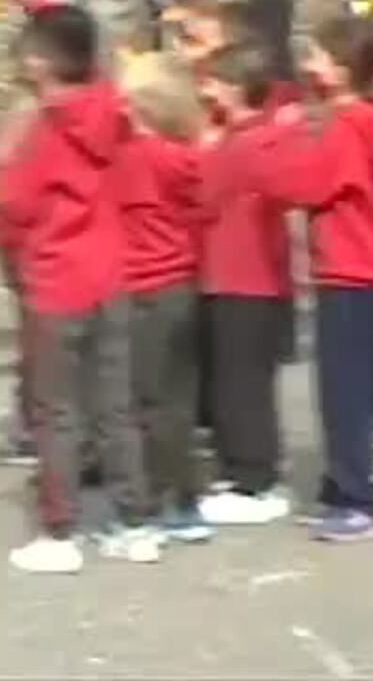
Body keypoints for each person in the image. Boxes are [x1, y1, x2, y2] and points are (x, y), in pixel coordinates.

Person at [0, 4, 158, 574]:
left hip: (58, 279)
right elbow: (95, 51)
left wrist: (12, 258)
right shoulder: (112, 107)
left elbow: (12, 205)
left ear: (39, 63)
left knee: (57, 412)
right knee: (116, 407)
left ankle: (60, 529)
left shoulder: (45, 131)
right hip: (111, 274)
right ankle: (135, 522)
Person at [259, 15, 373, 543]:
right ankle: (340, 485)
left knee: (343, 390)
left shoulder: (350, 126)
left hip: (351, 267)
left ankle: (358, 496)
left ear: (343, 69)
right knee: (344, 384)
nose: (307, 64)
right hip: (358, 264)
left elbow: (303, 185)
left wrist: (280, 137)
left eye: (317, 56)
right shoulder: (359, 121)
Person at [195, 40, 299, 528]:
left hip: (240, 275)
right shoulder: (260, 136)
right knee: (242, 379)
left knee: (242, 384)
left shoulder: (242, 144)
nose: (206, 91)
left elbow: (203, 197)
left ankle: (252, 479)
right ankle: (245, 468)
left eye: (214, 82)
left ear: (235, 89)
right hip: (248, 273)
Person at [114, 52, 211, 544]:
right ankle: (185, 497)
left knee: (142, 401)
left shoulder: (129, 156)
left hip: (140, 285)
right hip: (182, 282)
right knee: (178, 400)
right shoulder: (187, 156)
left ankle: (151, 499)